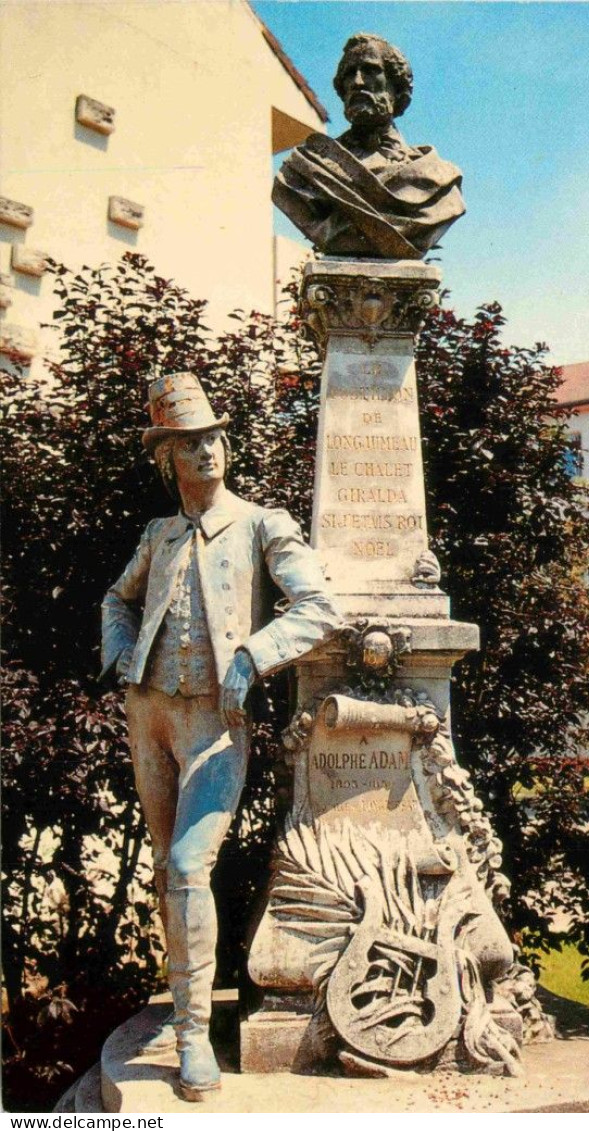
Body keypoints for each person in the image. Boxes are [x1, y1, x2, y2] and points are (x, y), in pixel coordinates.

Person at [101, 373, 340, 1101]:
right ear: (165, 458)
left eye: (211, 438)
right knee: (165, 867)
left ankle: (196, 1032)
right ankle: (183, 1010)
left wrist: (252, 653)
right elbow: (117, 596)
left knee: (185, 863)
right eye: (187, 443)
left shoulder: (262, 523)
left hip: (214, 722)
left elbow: (318, 606)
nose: (205, 452)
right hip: (150, 713)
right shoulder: (160, 532)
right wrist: (118, 654)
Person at [272, 33, 465, 259]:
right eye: (349, 74)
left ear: (397, 86)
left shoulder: (440, 178)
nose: (357, 82)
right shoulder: (302, 171)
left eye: (371, 70)